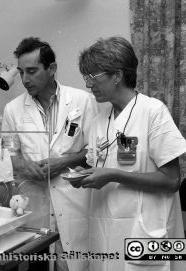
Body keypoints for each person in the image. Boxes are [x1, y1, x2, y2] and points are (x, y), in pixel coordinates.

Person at [77, 36, 186, 271]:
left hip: (148, 229)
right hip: (105, 228)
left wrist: (114, 175)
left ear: (117, 75)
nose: (88, 85)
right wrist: (81, 174)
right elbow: (99, 165)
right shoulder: (98, 121)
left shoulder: (153, 112)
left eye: (93, 77)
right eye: (86, 77)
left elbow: (172, 180)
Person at [1, 37, 98, 271]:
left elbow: (97, 151)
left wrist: (63, 162)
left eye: (32, 71)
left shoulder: (83, 101)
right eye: (22, 72)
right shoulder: (12, 109)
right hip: (33, 204)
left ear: (51, 69)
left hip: (74, 201)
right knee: (37, 264)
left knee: (72, 263)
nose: (25, 79)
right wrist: (24, 165)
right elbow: (8, 154)